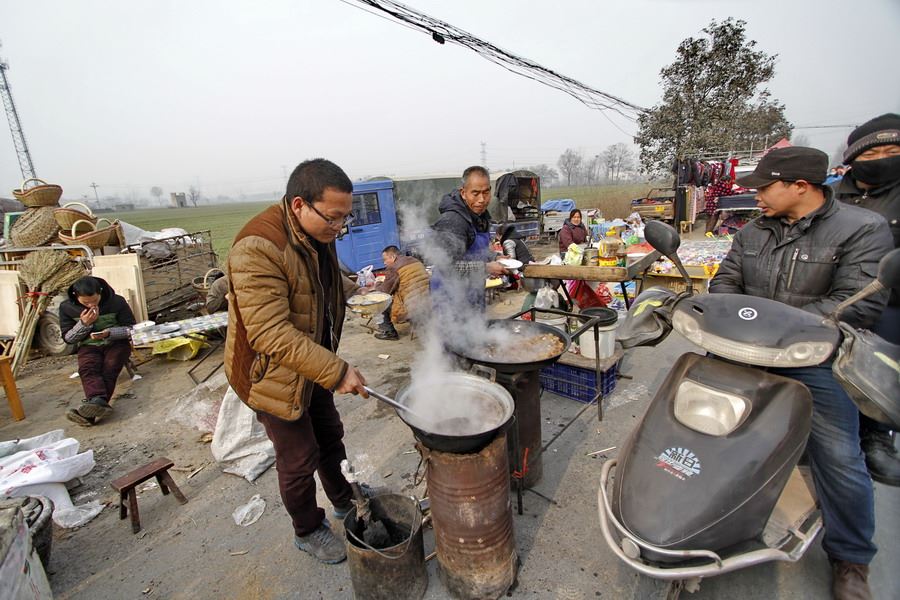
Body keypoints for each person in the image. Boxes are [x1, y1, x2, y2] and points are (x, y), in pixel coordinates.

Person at [709, 147, 892, 600]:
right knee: (706, 430)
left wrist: (774, 328)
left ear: (800, 186)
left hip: (818, 358)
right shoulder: (752, 231)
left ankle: (851, 558)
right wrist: (738, 323)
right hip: (747, 351)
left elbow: (857, 304)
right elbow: (724, 283)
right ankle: (705, 516)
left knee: (840, 457)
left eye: (764, 187)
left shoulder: (862, 228)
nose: (755, 197)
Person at [224, 158, 370, 565]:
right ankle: (307, 529)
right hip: (269, 373)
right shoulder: (258, 247)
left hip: (310, 359)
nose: (339, 227)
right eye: (333, 217)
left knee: (330, 435)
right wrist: (337, 371)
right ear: (299, 204)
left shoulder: (318, 230)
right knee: (298, 456)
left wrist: (356, 288)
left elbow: (315, 283)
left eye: (345, 217)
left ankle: (344, 500)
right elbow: (268, 333)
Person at [833, 113, 900, 487]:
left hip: (889, 299)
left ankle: (876, 433)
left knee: (879, 360)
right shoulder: (831, 196)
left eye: (893, 151)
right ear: (854, 158)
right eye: (873, 153)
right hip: (836, 293)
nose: (883, 159)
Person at [59, 276, 136, 426]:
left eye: (95, 300)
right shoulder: (66, 308)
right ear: (76, 296)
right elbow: (68, 338)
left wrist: (109, 333)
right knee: (87, 369)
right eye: (86, 302)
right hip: (89, 346)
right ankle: (96, 404)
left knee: (110, 366)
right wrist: (84, 324)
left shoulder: (117, 302)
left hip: (116, 343)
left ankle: (91, 409)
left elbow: (131, 329)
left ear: (100, 292)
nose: (91, 305)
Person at [430, 166, 506, 310]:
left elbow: (474, 251)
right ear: (463, 193)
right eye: (475, 193)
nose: (482, 199)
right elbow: (446, 266)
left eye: (486, 192)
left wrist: (495, 257)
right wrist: (486, 267)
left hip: (472, 294)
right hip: (450, 302)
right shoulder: (453, 221)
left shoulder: (479, 215)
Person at [370, 245, 430, 341]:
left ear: (393, 257)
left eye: (385, 260)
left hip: (411, 307)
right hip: (428, 302)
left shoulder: (394, 268)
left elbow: (384, 292)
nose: (384, 263)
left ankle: (389, 333)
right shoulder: (415, 261)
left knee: (378, 304)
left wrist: (378, 282)